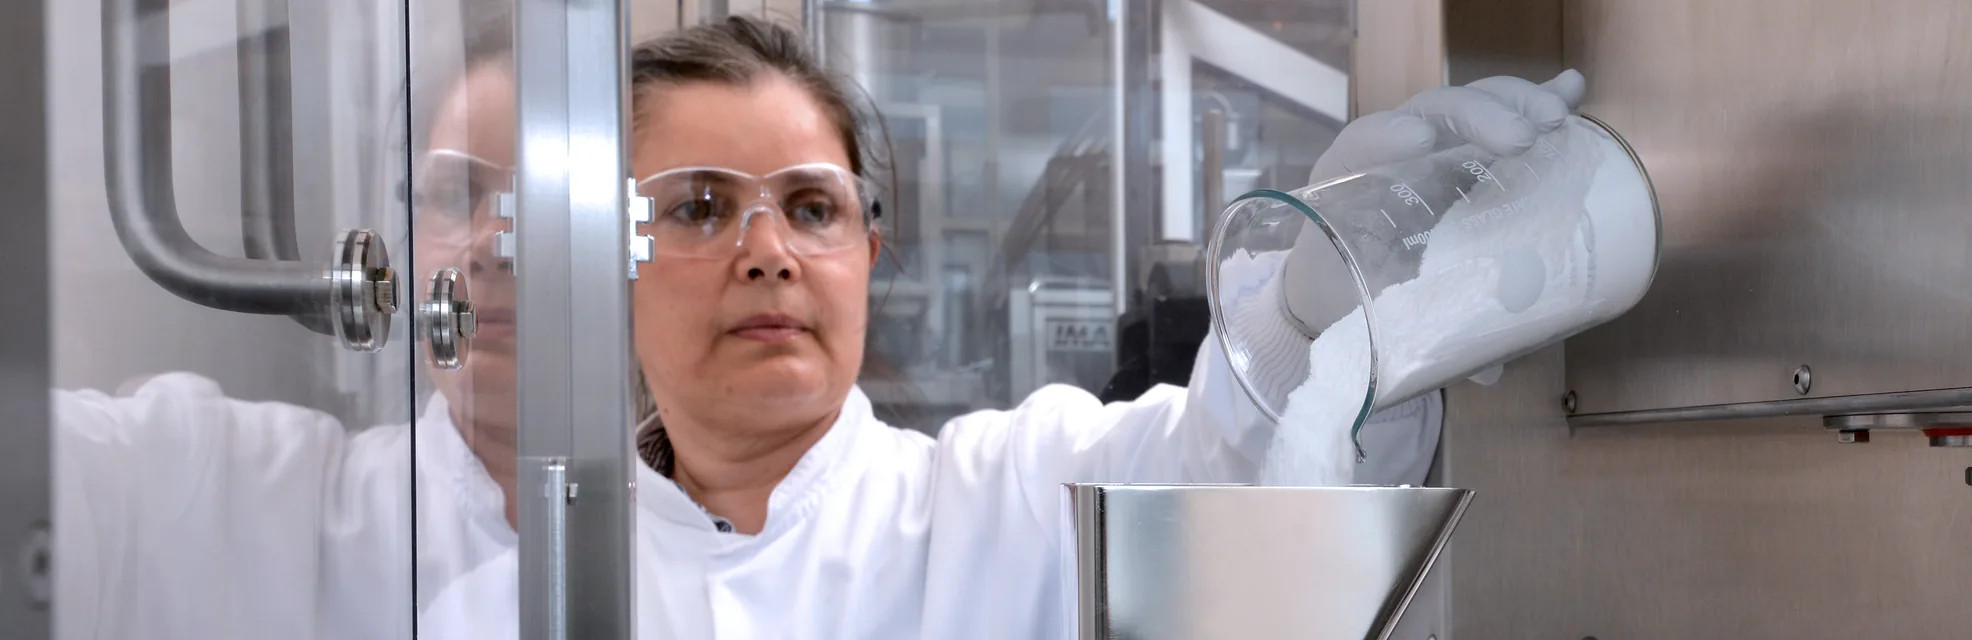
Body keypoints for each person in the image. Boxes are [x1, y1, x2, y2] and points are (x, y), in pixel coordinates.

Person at [53, 13, 1592, 640]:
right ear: (603, 265)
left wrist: (1333, 285)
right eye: (703, 208)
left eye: (812, 206)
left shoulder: (1002, 505)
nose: (770, 253)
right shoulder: (503, 589)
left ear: (870, 252)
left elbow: (1270, 494)